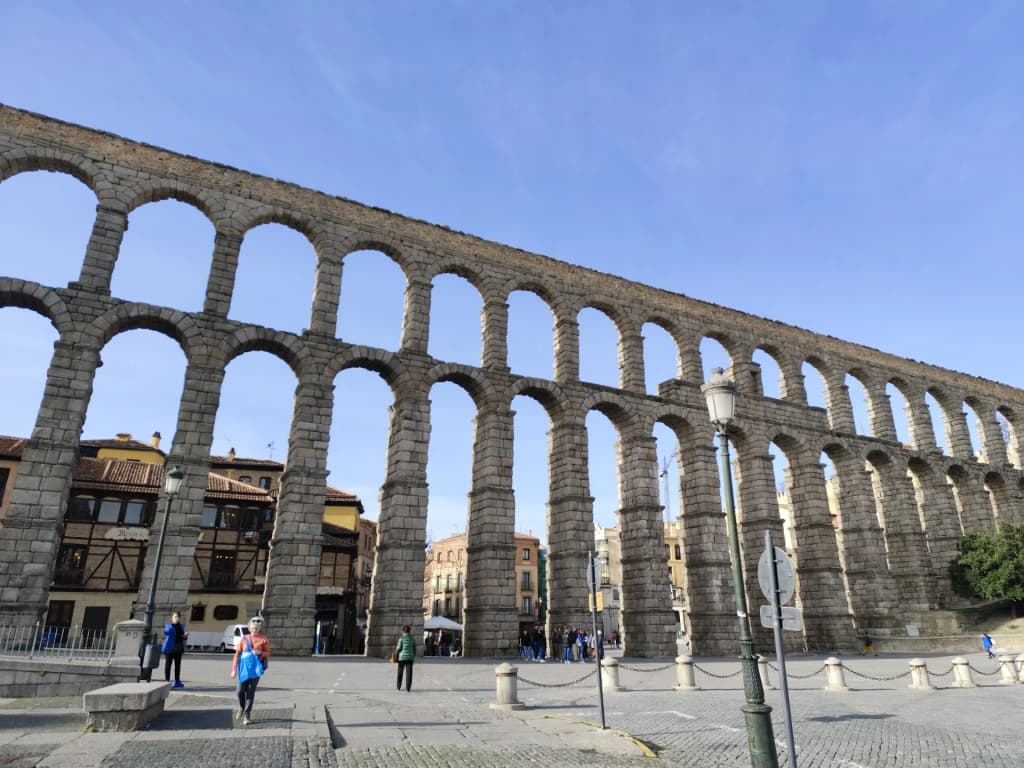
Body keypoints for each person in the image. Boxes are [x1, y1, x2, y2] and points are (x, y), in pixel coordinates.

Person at [231, 616, 271, 726]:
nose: (254, 630)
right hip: (243, 669)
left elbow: (268, 653)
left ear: (259, 629)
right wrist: (234, 669)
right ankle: (242, 706)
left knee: (250, 692)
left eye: (257, 628)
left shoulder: (263, 639)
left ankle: (247, 715)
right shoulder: (244, 639)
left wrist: (260, 653)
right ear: (249, 628)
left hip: (255, 670)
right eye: (253, 628)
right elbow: (237, 654)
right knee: (239, 691)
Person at [161, 611, 188, 688]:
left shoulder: (181, 626)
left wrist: (185, 635)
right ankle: (166, 680)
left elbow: (184, 638)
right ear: (172, 618)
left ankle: (177, 681)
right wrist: (177, 632)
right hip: (170, 648)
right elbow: (166, 632)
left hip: (178, 648)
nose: (177, 618)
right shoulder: (169, 626)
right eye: (175, 617)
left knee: (177, 666)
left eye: (178, 617)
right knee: (168, 665)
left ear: (180, 618)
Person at [395, 624, 416, 692]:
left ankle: (398, 686)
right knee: (409, 673)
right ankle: (408, 688)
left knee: (400, 672)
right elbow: (414, 649)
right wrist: (413, 655)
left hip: (402, 658)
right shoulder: (412, 639)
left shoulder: (401, 638)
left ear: (403, 631)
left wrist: (396, 652)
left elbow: (398, 648)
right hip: (410, 658)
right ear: (409, 631)